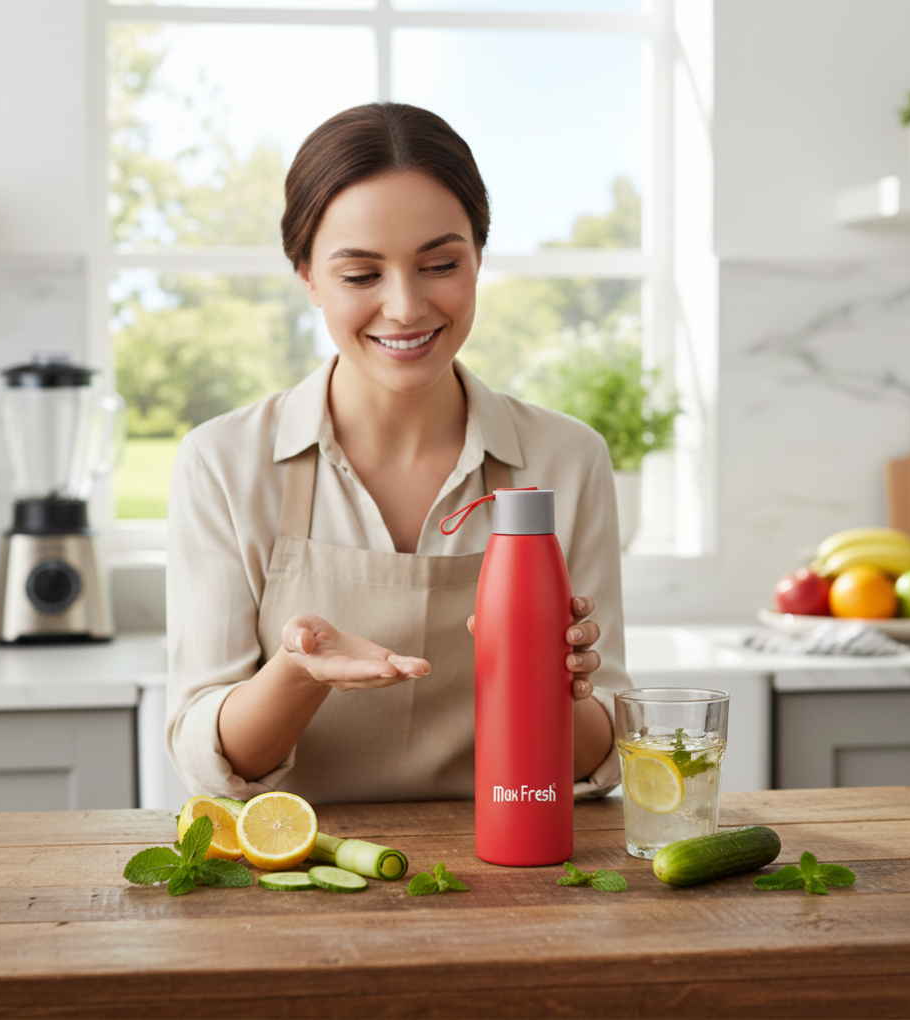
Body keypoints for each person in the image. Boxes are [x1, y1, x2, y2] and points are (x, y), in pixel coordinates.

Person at [166, 102, 628, 805]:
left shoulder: (569, 458)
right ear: (306, 276)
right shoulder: (222, 463)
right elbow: (208, 756)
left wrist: (544, 677)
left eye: (440, 263)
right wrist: (298, 672)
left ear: (478, 258)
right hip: (304, 876)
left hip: (518, 878)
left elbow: (602, 758)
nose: (407, 307)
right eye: (360, 276)